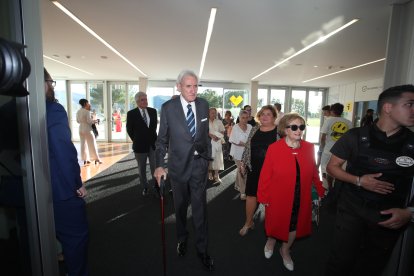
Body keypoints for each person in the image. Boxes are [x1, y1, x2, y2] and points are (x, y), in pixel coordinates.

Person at [324, 85, 414, 276]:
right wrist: (358, 180)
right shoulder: (355, 136)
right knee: (340, 261)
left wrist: (410, 212)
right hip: (352, 209)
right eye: (409, 104)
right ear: (388, 108)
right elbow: (332, 167)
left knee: (372, 265)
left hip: (389, 216)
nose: (413, 110)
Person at [154, 70, 214, 271]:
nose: (193, 90)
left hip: (198, 166)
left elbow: (204, 135)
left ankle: (202, 249)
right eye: (189, 86)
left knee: (200, 209)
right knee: (179, 209)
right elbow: (162, 140)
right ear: (178, 86)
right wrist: (159, 165)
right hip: (178, 167)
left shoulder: (204, 105)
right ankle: (182, 238)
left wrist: (206, 157)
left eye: (196, 85)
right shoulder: (168, 108)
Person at [257, 113, 325, 272]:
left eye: (301, 127)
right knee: (276, 221)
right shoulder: (274, 148)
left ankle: (285, 250)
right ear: (285, 130)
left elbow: (314, 172)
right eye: (294, 127)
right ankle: (271, 241)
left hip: (301, 195)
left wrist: (320, 189)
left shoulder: (309, 147)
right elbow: (265, 174)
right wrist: (263, 195)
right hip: (278, 195)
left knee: (295, 223)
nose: (299, 130)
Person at [45, 68, 89, 276]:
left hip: (33, 192)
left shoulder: (11, 109)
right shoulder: (52, 110)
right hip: (60, 190)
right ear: (44, 83)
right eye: (51, 82)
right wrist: (76, 183)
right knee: (76, 236)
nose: (52, 87)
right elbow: (63, 149)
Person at [239, 105, 278, 236]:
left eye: (268, 114)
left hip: (273, 172)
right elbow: (248, 148)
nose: (265, 116)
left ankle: (272, 227)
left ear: (274, 117)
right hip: (254, 168)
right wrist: (244, 162)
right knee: (251, 195)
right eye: (262, 114)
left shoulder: (279, 132)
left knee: (271, 199)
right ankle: (248, 222)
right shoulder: (255, 129)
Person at [126, 91, 158, 196]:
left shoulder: (153, 111)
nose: (145, 101)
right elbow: (129, 130)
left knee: (155, 166)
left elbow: (154, 128)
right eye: (142, 100)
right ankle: (145, 187)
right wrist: (137, 140)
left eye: (146, 99)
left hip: (153, 145)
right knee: (142, 168)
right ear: (137, 102)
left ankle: (156, 185)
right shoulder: (131, 114)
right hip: (139, 146)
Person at [319, 103, 352, 190]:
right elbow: (350, 139)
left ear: (332, 111)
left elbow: (322, 138)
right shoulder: (349, 122)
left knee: (325, 168)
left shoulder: (328, 120)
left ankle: (327, 188)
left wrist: (322, 148)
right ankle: (336, 188)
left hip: (328, 150)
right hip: (342, 151)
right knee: (339, 170)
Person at [229, 110, 252, 200]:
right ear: (239, 117)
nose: (245, 120)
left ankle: (237, 185)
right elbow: (233, 140)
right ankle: (243, 192)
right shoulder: (235, 127)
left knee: (241, 170)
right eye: (243, 118)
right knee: (242, 170)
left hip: (247, 153)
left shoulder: (250, 126)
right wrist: (245, 144)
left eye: (246, 118)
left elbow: (252, 137)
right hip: (237, 152)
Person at [76, 99, 102, 165]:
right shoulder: (86, 111)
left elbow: (78, 121)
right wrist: (95, 121)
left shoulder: (78, 111)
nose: (88, 104)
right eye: (87, 103)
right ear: (85, 103)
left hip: (80, 129)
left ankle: (85, 159)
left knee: (83, 144)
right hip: (87, 129)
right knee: (92, 144)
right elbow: (89, 121)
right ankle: (97, 159)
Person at [208, 107, 225, 183]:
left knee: (217, 159)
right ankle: (209, 173)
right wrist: (211, 135)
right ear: (208, 113)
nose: (213, 114)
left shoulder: (219, 122)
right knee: (210, 158)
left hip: (217, 142)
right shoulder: (205, 122)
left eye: (214, 112)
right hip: (208, 142)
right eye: (211, 112)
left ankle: (216, 174)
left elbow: (222, 131)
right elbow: (203, 132)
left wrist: (218, 137)